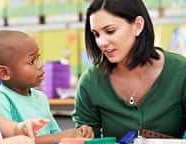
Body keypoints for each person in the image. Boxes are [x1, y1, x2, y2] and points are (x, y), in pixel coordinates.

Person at [72, 0, 186, 141]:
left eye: (110, 31)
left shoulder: (181, 72)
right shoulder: (90, 82)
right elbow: (87, 138)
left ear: (137, 26)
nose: (101, 42)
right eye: (96, 34)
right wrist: (84, 135)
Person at [0, 30, 94, 144]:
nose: (40, 64)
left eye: (38, 57)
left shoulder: (40, 97)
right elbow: (7, 142)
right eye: (32, 61)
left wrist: (78, 134)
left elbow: (56, 136)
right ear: (4, 73)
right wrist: (58, 137)